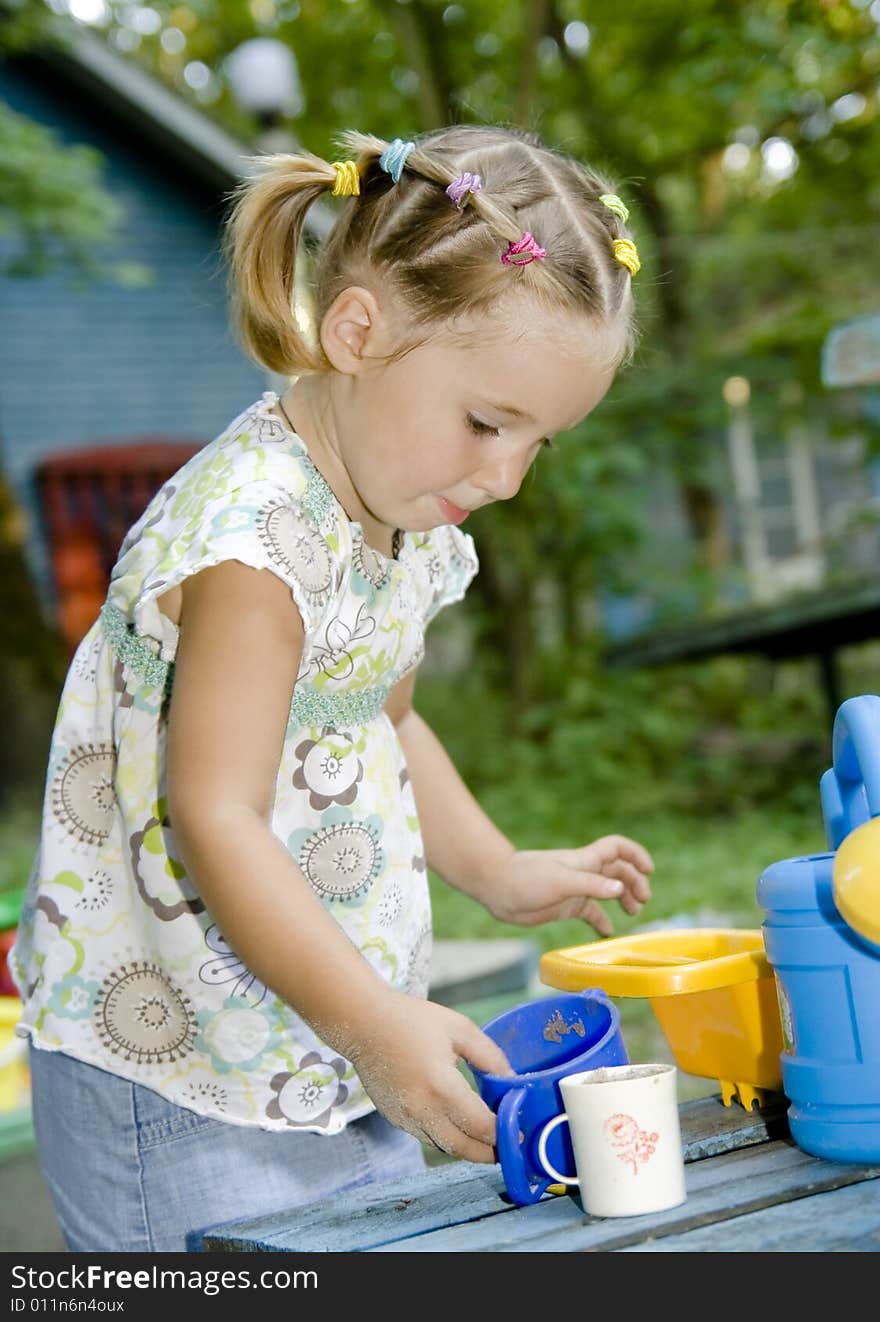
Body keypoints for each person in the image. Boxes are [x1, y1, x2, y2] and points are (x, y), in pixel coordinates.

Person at [10, 125, 654, 1252]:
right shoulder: (252, 545)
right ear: (357, 331)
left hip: (330, 1040)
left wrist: (493, 867)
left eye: (536, 443)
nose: (502, 476)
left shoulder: (404, 516)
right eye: (486, 422)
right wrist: (371, 1024)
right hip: (180, 1068)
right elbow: (215, 815)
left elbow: (384, 716)